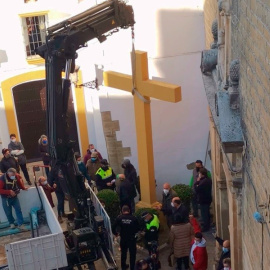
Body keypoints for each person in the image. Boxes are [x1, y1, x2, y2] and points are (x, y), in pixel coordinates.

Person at [112, 205, 140, 270]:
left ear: (122, 211)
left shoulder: (119, 218)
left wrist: (116, 233)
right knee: (132, 255)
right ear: (129, 211)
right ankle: (132, 268)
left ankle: (123, 266)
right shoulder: (133, 218)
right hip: (132, 239)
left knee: (123, 254)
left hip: (123, 239)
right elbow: (138, 228)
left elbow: (113, 227)